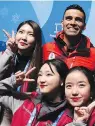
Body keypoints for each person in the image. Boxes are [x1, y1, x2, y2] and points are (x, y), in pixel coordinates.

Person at [0, 59, 74, 126]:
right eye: (40, 75)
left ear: (62, 80)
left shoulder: (69, 116)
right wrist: (13, 81)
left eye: (48, 74)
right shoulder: (27, 100)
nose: (41, 80)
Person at [43, 4, 95, 71]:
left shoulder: (93, 54)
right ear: (62, 23)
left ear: (84, 26)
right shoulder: (46, 48)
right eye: (69, 18)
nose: (73, 23)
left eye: (78, 20)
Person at [0, 20, 42, 92]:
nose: (24, 38)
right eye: (21, 32)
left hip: (23, 102)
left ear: (36, 40)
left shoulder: (40, 65)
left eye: (30, 34)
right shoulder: (3, 55)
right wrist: (9, 52)